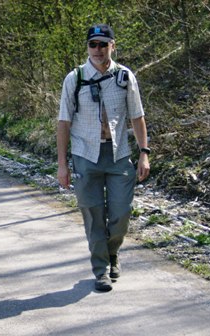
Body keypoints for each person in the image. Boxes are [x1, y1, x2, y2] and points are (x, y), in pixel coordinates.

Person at [57, 24, 150, 292]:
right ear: (87, 47)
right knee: (93, 215)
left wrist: (144, 153)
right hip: (85, 155)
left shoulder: (124, 76)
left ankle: (112, 253)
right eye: (92, 44)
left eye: (103, 44)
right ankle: (101, 270)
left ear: (113, 45)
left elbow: (137, 116)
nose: (97, 50)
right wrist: (62, 164)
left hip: (119, 154)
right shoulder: (74, 78)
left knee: (120, 215)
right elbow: (63, 122)